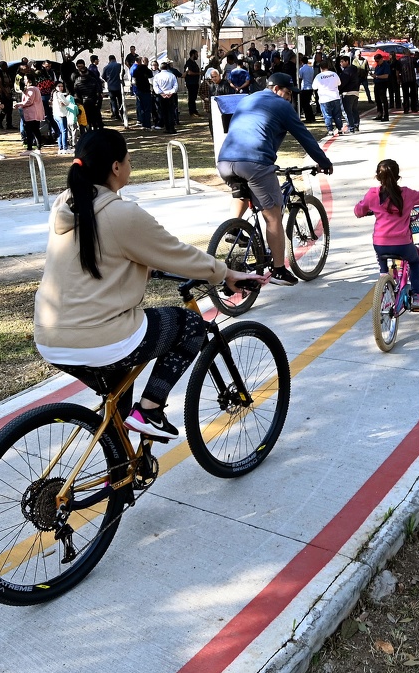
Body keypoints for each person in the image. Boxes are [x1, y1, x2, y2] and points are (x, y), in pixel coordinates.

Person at [34, 128, 264, 439]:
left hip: (50, 336)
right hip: (98, 336)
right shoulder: (120, 213)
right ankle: (151, 410)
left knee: (116, 403)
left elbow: (102, 256)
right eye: (128, 160)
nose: (130, 166)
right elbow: (174, 252)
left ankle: (120, 477)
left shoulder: (68, 203)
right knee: (191, 325)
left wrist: (142, 268)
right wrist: (225, 273)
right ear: (116, 167)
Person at [215, 73, 334, 287]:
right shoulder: (282, 105)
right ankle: (279, 269)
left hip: (225, 161)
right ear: (277, 88)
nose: (288, 98)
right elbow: (304, 136)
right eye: (287, 93)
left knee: (242, 192)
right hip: (254, 163)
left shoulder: (248, 99)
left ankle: (234, 229)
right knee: (273, 216)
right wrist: (323, 161)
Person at [353, 159, 419, 312]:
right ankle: (417, 296)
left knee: (382, 255)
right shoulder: (407, 194)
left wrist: (364, 209)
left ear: (378, 177)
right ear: (398, 177)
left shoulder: (372, 194)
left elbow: (359, 211)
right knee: (414, 261)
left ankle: (383, 275)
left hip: (380, 244)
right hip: (403, 245)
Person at [311, 60, 343, 136]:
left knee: (327, 115)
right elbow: (339, 83)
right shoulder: (334, 74)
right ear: (328, 66)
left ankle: (330, 130)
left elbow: (314, 87)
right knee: (337, 115)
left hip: (324, 98)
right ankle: (340, 129)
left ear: (320, 68)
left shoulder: (318, 77)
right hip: (335, 97)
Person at [15, 74, 45, 151]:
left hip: (31, 113)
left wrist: (19, 104)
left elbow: (29, 101)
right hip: (36, 113)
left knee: (29, 131)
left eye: (25, 79)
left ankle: (30, 148)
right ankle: (38, 147)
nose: (24, 81)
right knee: (36, 131)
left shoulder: (31, 89)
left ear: (29, 80)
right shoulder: (35, 88)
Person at [73, 59, 104, 130]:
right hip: (93, 101)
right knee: (96, 119)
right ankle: (98, 130)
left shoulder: (77, 82)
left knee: (87, 119)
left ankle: (89, 131)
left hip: (84, 102)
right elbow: (98, 92)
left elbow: (76, 94)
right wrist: (98, 102)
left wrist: (79, 103)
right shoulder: (93, 80)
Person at [153, 58, 180, 134]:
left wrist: (161, 93)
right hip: (170, 95)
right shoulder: (171, 75)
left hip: (161, 96)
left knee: (164, 112)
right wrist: (171, 92)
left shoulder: (157, 76)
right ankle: (171, 127)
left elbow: (156, 87)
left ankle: (167, 127)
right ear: (167, 68)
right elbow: (175, 85)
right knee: (171, 112)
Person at [337, 55, 360, 133]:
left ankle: (351, 126)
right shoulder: (355, 70)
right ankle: (356, 124)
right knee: (354, 110)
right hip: (355, 92)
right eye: (340, 62)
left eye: (342, 62)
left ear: (347, 62)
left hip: (348, 93)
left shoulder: (346, 72)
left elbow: (342, 83)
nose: (341, 63)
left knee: (347, 111)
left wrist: (339, 90)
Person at [52, 82, 77, 153]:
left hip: (56, 115)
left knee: (60, 131)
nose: (61, 88)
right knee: (64, 131)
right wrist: (65, 103)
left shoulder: (54, 94)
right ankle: (65, 147)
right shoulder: (59, 94)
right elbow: (67, 102)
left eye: (62, 86)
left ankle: (61, 147)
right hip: (61, 115)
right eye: (59, 86)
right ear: (56, 87)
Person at [132, 56, 154, 128]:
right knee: (147, 108)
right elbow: (150, 75)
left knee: (141, 107)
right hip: (145, 90)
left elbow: (134, 76)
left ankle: (142, 121)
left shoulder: (136, 69)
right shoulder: (145, 69)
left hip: (139, 90)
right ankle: (147, 124)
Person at [102, 55, 124, 121]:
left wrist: (108, 80)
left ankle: (116, 114)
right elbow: (123, 73)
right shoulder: (119, 65)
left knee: (113, 101)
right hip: (119, 86)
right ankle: (122, 113)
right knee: (120, 101)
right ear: (115, 58)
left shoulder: (106, 67)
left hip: (111, 86)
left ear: (109, 59)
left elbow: (103, 76)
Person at [297, 55, 316, 122]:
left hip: (305, 88)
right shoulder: (311, 68)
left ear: (302, 62)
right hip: (310, 87)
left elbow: (300, 78)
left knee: (305, 104)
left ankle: (309, 118)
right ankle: (311, 117)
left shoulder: (302, 69)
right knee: (307, 103)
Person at [372, 54, 391, 122]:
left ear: (381, 59)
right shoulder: (377, 66)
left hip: (383, 84)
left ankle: (386, 115)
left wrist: (377, 76)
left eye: (378, 61)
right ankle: (379, 114)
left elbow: (386, 76)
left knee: (383, 100)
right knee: (377, 100)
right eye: (376, 61)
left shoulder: (386, 65)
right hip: (377, 84)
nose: (377, 62)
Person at [183, 49, 202, 117]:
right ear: (193, 54)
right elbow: (189, 72)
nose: (198, 56)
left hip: (195, 82)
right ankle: (192, 112)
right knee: (191, 98)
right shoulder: (189, 63)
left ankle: (195, 111)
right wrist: (199, 73)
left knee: (194, 97)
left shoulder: (194, 62)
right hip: (191, 83)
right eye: (196, 55)